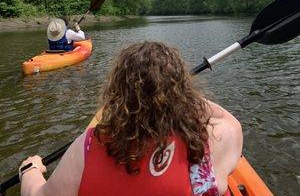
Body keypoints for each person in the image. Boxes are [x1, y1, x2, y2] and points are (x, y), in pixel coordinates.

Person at [19, 41, 243, 196]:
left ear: (117, 93)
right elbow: (226, 118)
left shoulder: (87, 147)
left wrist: (30, 171)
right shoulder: (215, 140)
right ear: (182, 92)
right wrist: (181, 95)